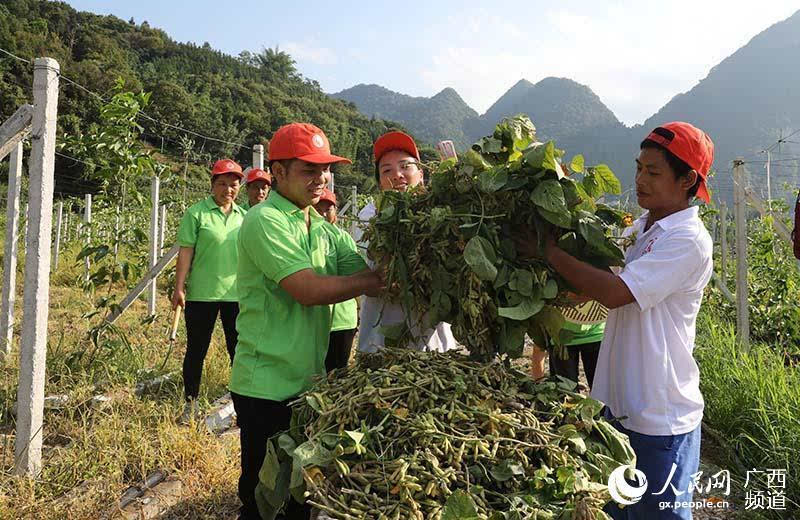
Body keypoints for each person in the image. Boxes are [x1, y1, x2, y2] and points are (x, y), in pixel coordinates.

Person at [522, 122, 714, 519]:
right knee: (618, 510)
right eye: (639, 168)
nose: (640, 179)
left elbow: (614, 292)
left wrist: (548, 252)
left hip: (660, 415)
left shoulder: (687, 239)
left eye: (653, 172)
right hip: (618, 407)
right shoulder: (641, 228)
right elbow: (593, 287)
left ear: (687, 180)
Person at [229, 123, 384, 520]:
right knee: (264, 495)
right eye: (309, 170)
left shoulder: (323, 229)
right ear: (278, 172)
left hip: (308, 384)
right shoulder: (266, 220)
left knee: (300, 492)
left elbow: (372, 273)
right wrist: (371, 281)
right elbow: (309, 289)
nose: (322, 179)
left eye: (326, 170)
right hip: (266, 385)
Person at [355, 130, 456, 353]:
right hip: (380, 346)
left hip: (436, 347)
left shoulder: (441, 213)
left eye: (405, 166)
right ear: (381, 184)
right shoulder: (371, 215)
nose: (398, 175)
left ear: (421, 174)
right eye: (387, 170)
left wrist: (455, 182)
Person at [172, 159, 246, 422]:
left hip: (236, 295)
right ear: (212, 185)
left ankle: (240, 404)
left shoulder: (244, 217)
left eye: (234, 185)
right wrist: (179, 287)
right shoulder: (197, 213)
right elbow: (186, 252)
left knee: (238, 350)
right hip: (202, 294)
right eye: (223, 184)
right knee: (196, 350)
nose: (228, 189)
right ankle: (190, 403)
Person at [314, 188, 358, 371]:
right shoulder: (305, 237)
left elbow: (355, 276)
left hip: (342, 320)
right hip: (315, 320)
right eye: (318, 208)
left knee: (337, 374)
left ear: (335, 212)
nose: (323, 213)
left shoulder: (343, 238)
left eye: (328, 209)